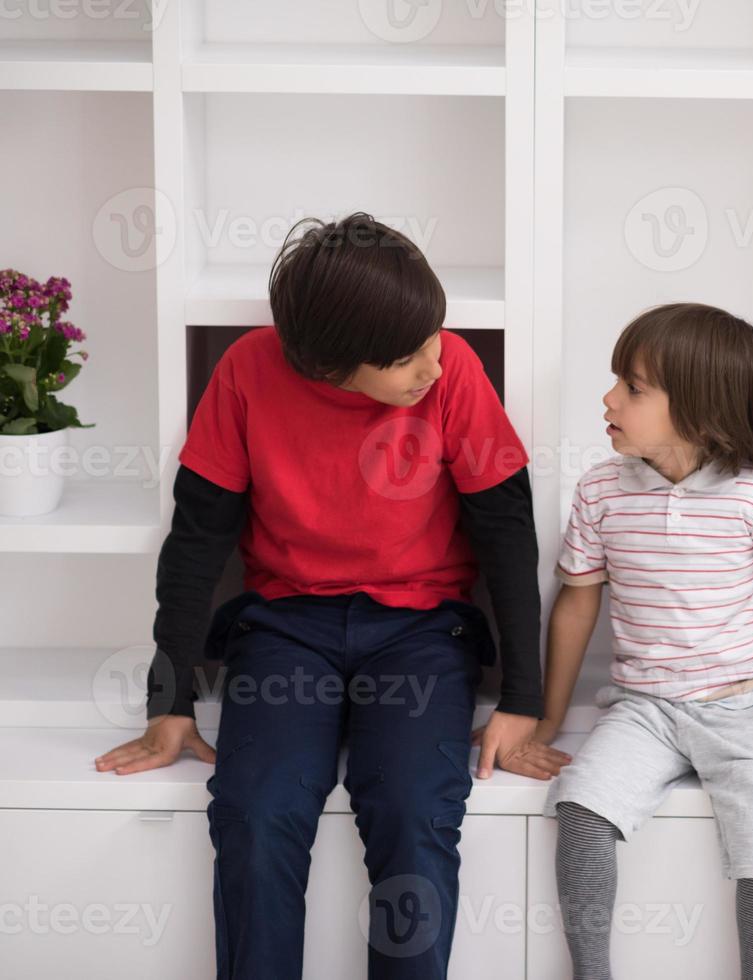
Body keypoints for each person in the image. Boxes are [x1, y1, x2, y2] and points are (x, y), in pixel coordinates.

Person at [94, 212, 563, 979]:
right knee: (254, 812)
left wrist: (522, 699)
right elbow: (197, 540)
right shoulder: (249, 373)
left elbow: (507, 532)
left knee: (412, 811)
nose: (434, 366)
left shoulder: (455, 374)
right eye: (408, 357)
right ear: (332, 367)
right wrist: (169, 700)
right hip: (286, 629)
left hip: (421, 632)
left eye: (433, 337)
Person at [536, 302, 753, 980]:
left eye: (633, 387)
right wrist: (549, 719)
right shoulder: (600, 491)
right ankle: (591, 973)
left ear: (700, 413)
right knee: (581, 806)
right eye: (617, 380)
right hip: (645, 707)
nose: (608, 397)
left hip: (750, 709)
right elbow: (576, 605)